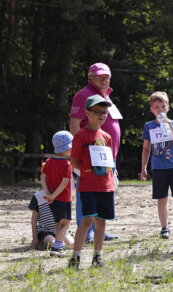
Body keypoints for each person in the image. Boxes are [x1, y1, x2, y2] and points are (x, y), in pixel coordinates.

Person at [69, 63, 121, 242]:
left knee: (103, 191)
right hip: (89, 155)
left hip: (107, 155)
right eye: (99, 77)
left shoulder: (107, 96)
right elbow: (75, 124)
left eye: (107, 77)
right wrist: (79, 151)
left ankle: (99, 230)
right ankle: (86, 230)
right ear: (90, 77)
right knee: (86, 190)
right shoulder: (83, 95)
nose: (104, 80)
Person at [68, 95, 116, 268]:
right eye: (97, 112)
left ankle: (98, 256)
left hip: (106, 185)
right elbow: (74, 161)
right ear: (87, 112)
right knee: (87, 220)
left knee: (102, 220)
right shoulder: (81, 136)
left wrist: (111, 179)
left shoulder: (107, 137)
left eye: (104, 112)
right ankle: (76, 256)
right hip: (88, 185)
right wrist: (87, 173)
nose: (102, 115)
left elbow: (109, 161)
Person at [140, 91, 173, 239]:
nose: (160, 110)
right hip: (158, 168)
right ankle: (165, 227)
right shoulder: (149, 126)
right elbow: (146, 148)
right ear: (151, 109)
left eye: (162, 106)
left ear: (168, 108)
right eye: (156, 107)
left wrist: (170, 125)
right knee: (162, 198)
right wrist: (143, 167)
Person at [32, 131, 75, 255]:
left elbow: (43, 178)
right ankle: (57, 247)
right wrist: (54, 195)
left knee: (57, 223)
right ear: (66, 147)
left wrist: (49, 194)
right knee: (65, 224)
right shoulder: (67, 164)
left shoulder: (48, 162)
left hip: (52, 199)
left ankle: (58, 245)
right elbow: (64, 183)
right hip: (63, 199)